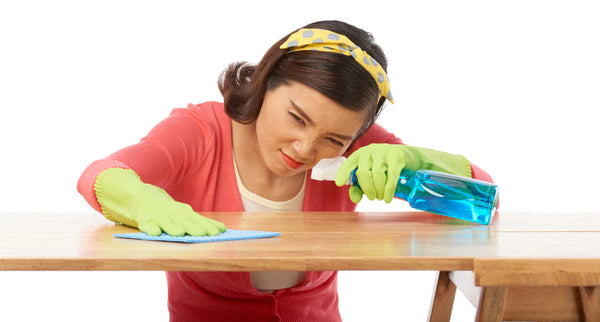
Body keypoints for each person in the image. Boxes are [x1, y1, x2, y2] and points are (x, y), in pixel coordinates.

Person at [77, 20, 494, 322]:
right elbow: (101, 172)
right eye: (297, 118)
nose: (304, 148)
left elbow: (483, 196)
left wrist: (416, 161)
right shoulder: (201, 132)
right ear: (265, 80)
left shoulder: (359, 149)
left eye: (334, 140)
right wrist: (142, 199)